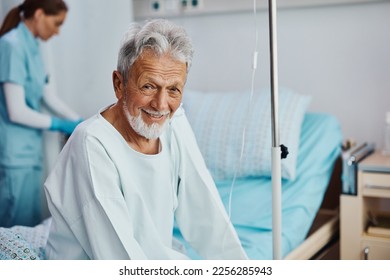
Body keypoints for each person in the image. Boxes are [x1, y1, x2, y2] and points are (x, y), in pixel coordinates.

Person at [44, 19, 248, 260]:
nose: (161, 105)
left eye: (173, 89)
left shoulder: (173, 123)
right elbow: (118, 255)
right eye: (149, 86)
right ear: (119, 84)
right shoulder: (91, 144)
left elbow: (207, 214)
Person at [0, 0, 82, 228]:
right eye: (56, 23)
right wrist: (59, 124)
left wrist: (78, 121)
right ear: (38, 14)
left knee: (26, 223)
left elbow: (47, 96)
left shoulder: (33, 47)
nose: (57, 32)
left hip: (28, 150)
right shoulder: (12, 45)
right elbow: (16, 111)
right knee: (11, 229)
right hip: (13, 153)